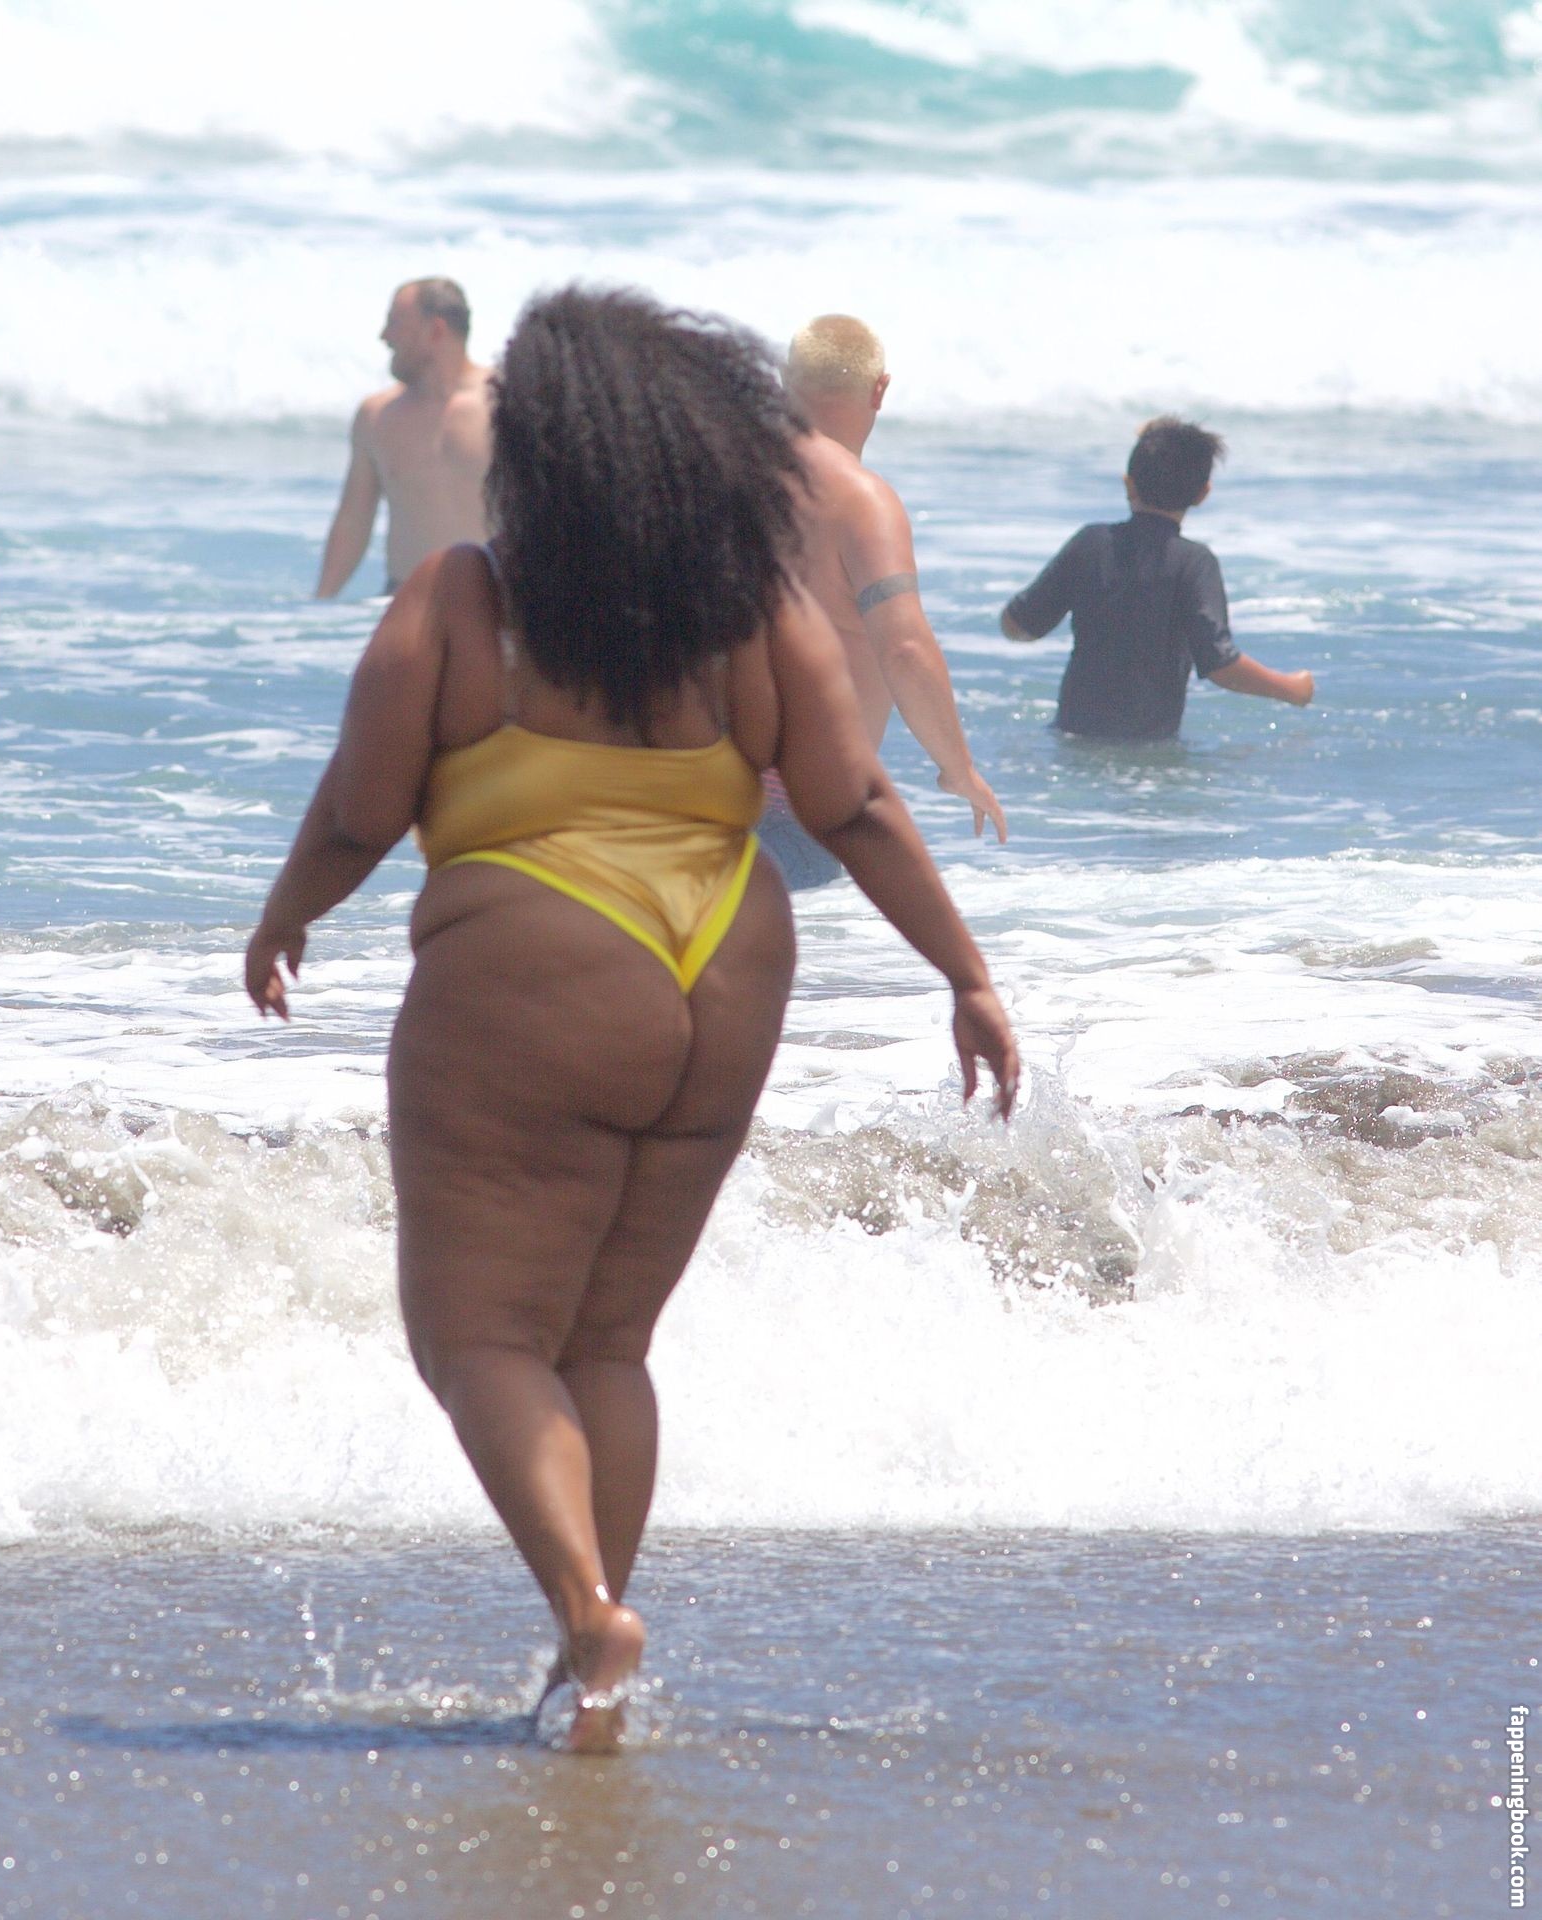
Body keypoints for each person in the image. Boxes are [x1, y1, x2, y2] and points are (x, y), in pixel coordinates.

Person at [247, 288, 1019, 1754]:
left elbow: (359, 808)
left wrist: (286, 915)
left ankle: (589, 1613)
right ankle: (581, 1666)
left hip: (539, 955)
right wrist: (965, 976)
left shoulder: (463, 599)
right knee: (606, 1339)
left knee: (482, 1331)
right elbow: (853, 800)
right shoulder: (748, 609)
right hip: (727, 961)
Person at [762, 313, 1006, 892]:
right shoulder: (860, 502)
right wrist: (959, 769)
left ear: (782, 381)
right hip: (793, 816)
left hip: (680, 803)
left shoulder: (716, 481)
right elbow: (904, 648)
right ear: (880, 389)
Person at [1001, 416, 1316, 739]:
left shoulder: (1090, 543)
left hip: (1073, 738)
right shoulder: (1194, 562)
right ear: (1203, 494)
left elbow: (1019, 624)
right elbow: (1220, 664)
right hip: (1147, 750)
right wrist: (1291, 689)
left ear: (1128, 485)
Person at [314, 278, 492, 597]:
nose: (384, 336)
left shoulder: (505, 405)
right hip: (404, 602)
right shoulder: (376, 417)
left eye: (395, 322)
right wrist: (321, 602)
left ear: (435, 330)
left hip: (493, 601)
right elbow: (354, 520)